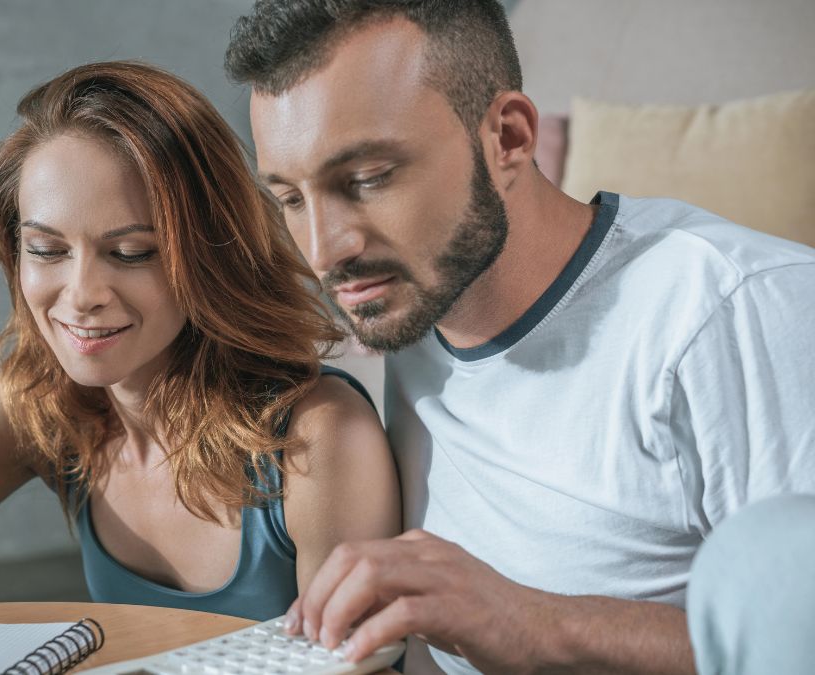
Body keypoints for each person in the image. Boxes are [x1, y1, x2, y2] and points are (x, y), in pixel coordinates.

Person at [224, 1, 815, 673]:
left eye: (366, 179)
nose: (325, 249)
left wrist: (532, 620)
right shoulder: (408, 303)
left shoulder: (735, 311)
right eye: (291, 200)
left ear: (507, 137)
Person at [0, 61, 401, 675]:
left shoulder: (316, 436)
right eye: (46, 249)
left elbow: (358, 669)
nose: (81, 294)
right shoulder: (42, 405)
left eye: (131, 253)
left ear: (212, 253)